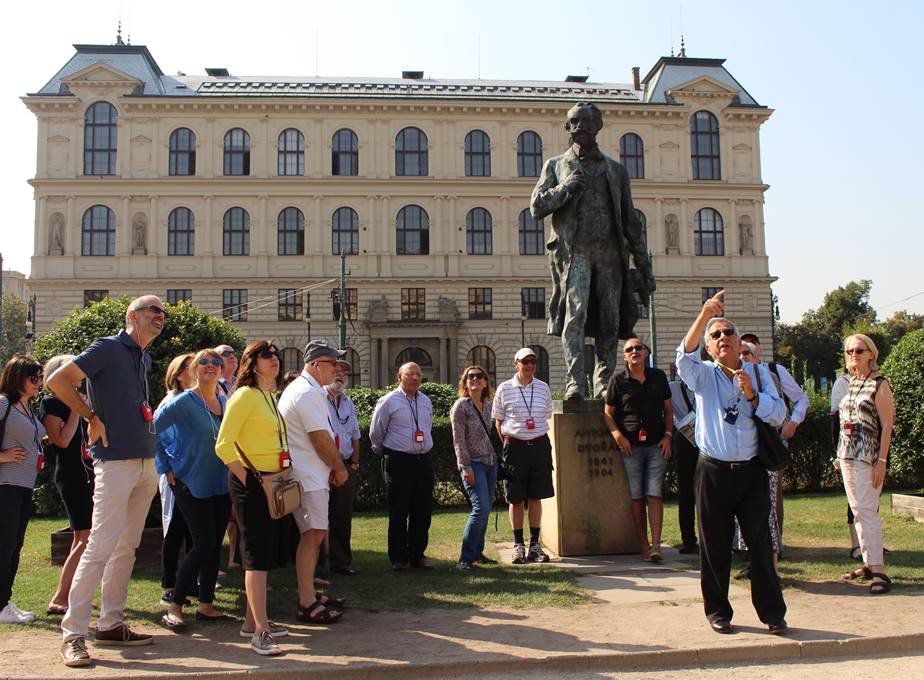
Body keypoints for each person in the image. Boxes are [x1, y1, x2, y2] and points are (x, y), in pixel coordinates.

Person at [49, 295, 165, 667]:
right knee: (100, 546)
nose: (160, 316)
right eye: (153, 310)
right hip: (115, 463)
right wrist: (89, 417)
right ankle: (73, 635)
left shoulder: (142, 357)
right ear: (132, 316)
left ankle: (111, 623)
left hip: (145, 462)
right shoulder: (110, 347)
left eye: (163, 312)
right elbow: (58, 381)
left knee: (126, 547)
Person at [675, 290, 788, 635]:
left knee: (760, 543)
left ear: (740, 343)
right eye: (715, 335)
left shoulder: (758, 374)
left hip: (751, 471)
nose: (723, 338)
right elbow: (682, 358)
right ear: (708, 347)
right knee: (714, 545)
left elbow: (779, 413)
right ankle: (718, 611)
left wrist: (753, 395)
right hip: (713, 472)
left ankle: (772, 612)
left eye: (728, 333)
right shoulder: (704, 375)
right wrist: (704, 313)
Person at [530, 101, 655, 400]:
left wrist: (645, 269)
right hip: (576, 253)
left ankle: (603, 383)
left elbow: (630, 221)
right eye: (574, 122)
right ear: (567, 128)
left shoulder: (616, 170)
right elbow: (536, 207)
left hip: (611, 254)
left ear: (598, 126)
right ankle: (575, 382)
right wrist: (566, 188)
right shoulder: (556, 165)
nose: (580, 127)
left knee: (610, 319)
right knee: (576, 314)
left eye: (587, 121)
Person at [215, 340, 289, 656]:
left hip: (273, 481)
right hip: (254, 482)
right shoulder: (245, 396)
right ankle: (260, 632)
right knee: (256, 556)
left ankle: (252, 622)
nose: (274, 359)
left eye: (276, 355)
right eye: (266, 355)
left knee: (265, 552)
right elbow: (222, 444)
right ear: (252, 362)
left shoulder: (268, 396)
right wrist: (249, 479)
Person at [155, 349, 231, 630]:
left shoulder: (223, 400)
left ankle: (205, 605)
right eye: (205, 362)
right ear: (194, 369)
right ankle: (174, 605)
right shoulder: (184, 401)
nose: (211, 365)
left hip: (219, 482)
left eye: (216, 362)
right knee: (202, 544)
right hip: (189, 482)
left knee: (213, 545)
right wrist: (166, 467)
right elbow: (154, 430)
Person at [278, 341, 349, 624]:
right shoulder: (306, 392)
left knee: (315, 534)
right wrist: (339, 467)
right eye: (333, 364)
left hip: (309, 473)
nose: (337, 369)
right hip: (307, 475)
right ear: (317, 364)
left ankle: (309, 594)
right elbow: (319, 437)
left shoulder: (308, 390)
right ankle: (306, 601)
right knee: (313, 535)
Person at [603, 340, 673, 562]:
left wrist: (668, 436)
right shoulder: (618, 381)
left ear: (646, 353)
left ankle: (656, 547)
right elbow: (607, 413)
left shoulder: (658, 377)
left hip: (656, 445)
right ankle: (643, 545)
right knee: (636, 497)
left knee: (654, 495)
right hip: (631, 448)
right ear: (624, 357)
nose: (635, 352)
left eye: (638, 348)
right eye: (629, 350)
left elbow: (668, 410)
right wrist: (617, 435)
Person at [836, 334, 894, 595]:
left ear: (871, 353)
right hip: (848, 455)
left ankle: (879, 569)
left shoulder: (879, 384)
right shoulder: (851, 383)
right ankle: (868, 562)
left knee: (868, 509)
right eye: (849, 351)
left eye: (859, 350)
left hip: (867, 457)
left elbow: (887, 426)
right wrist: (839, 455)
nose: (854, 355)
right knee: (857, 510)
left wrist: (881, 461)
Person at [740, 332, 809, 542]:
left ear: (758, 348)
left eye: (749, 348)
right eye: (741, 351)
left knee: (771, 496)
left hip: (772, 440)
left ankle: (774, 546)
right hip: (745, 443)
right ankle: (746, 547)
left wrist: (793, 422)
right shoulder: (735, 374)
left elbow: (801, 398)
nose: (744, 355)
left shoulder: (774, 370)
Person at [40, 354, 92, 616]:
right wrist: (75, 408)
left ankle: (72, 593)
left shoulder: (81, 400)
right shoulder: (51, 403)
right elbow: (62, 440)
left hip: (87, 472)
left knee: (81, 536)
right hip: (72, 475)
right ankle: (60, 597)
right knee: (86, 537)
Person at [370, 362, 435, 571]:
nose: (415, 378)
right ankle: (399, 558)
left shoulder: (425, 401)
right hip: (399, 460)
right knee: (399, 510)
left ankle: (418, 555)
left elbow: (427, 427)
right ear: (399, 376)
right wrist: (388, 452)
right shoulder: (388, 401)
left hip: (423, 460)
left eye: (418, 374)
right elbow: (376, 433)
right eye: (410, 374)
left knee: (422, 510)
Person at [492, 348, 554, 565]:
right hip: (515, 448)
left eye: (533, 362)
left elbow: (546, 414)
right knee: (516, 498)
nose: (529, 365)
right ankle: (518, 545)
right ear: (515, 363)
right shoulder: (504, 388)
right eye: (525, 361)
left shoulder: (543, 388)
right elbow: (499, 421)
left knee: (536, 497)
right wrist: (511, 443)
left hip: (539, 445)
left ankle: (535, 546)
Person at [0, 355, 46, 625]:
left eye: (40, 377)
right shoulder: (4, 404)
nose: (39, 382)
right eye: (34, 377)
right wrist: (4, 457)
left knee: (14, 545)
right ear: (18, 377)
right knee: (5, 546)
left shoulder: (28, 407)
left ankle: (5, 601)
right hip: (5, 485)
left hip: (24, 485)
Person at [734, 342, 782, 577]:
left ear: (756, 356)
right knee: (745, 515)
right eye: (739, 353)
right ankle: (755, 565)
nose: (742, 357)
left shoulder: (764, 378)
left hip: (763, 455)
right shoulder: (729, 380)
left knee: (767, 513)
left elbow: (778, 414)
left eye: (746, 354)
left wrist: (753, 395)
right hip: (741, 459)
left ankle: (771, 568)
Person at [450, 364, 499, 571]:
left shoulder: (487, 405)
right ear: (465, 382)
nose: (475, 379)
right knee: (480, 509)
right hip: (473, 465)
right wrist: (465, 467)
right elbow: (458, 440)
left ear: (485, 382)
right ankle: (465, 558)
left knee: (485, 510)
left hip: (490, 463)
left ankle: (477, 552)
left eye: (479, 376)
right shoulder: (461, 406)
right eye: (471, 376)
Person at [157, 353, 195, 606]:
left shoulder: (194, 400)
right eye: (193, 368)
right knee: (175, 530)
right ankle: (169, 585)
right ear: (179, 374)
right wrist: (168, 468)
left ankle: (190, 581)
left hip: (195, 475)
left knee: (194, 531)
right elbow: (157, 437)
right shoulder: (170, 402)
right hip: (176, 476)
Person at [324, 358, 362, 576]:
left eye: (345, 372)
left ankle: (341, 563)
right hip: (323, 466)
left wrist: (355, 464)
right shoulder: (318, 399)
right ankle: (318, 567)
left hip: (346, 466)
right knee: (319, 518)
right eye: (336, 371)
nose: (340, 375)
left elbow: (356, 436)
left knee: (342, 516)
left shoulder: (348, 402)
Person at [668, 378, 698, 554]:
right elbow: (664, 408)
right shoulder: (672, 388)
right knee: (686, 492)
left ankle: (711, 537)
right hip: (684, 440)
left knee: (709, 492)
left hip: (706, 440)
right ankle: (688, 539)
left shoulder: (704, 384)